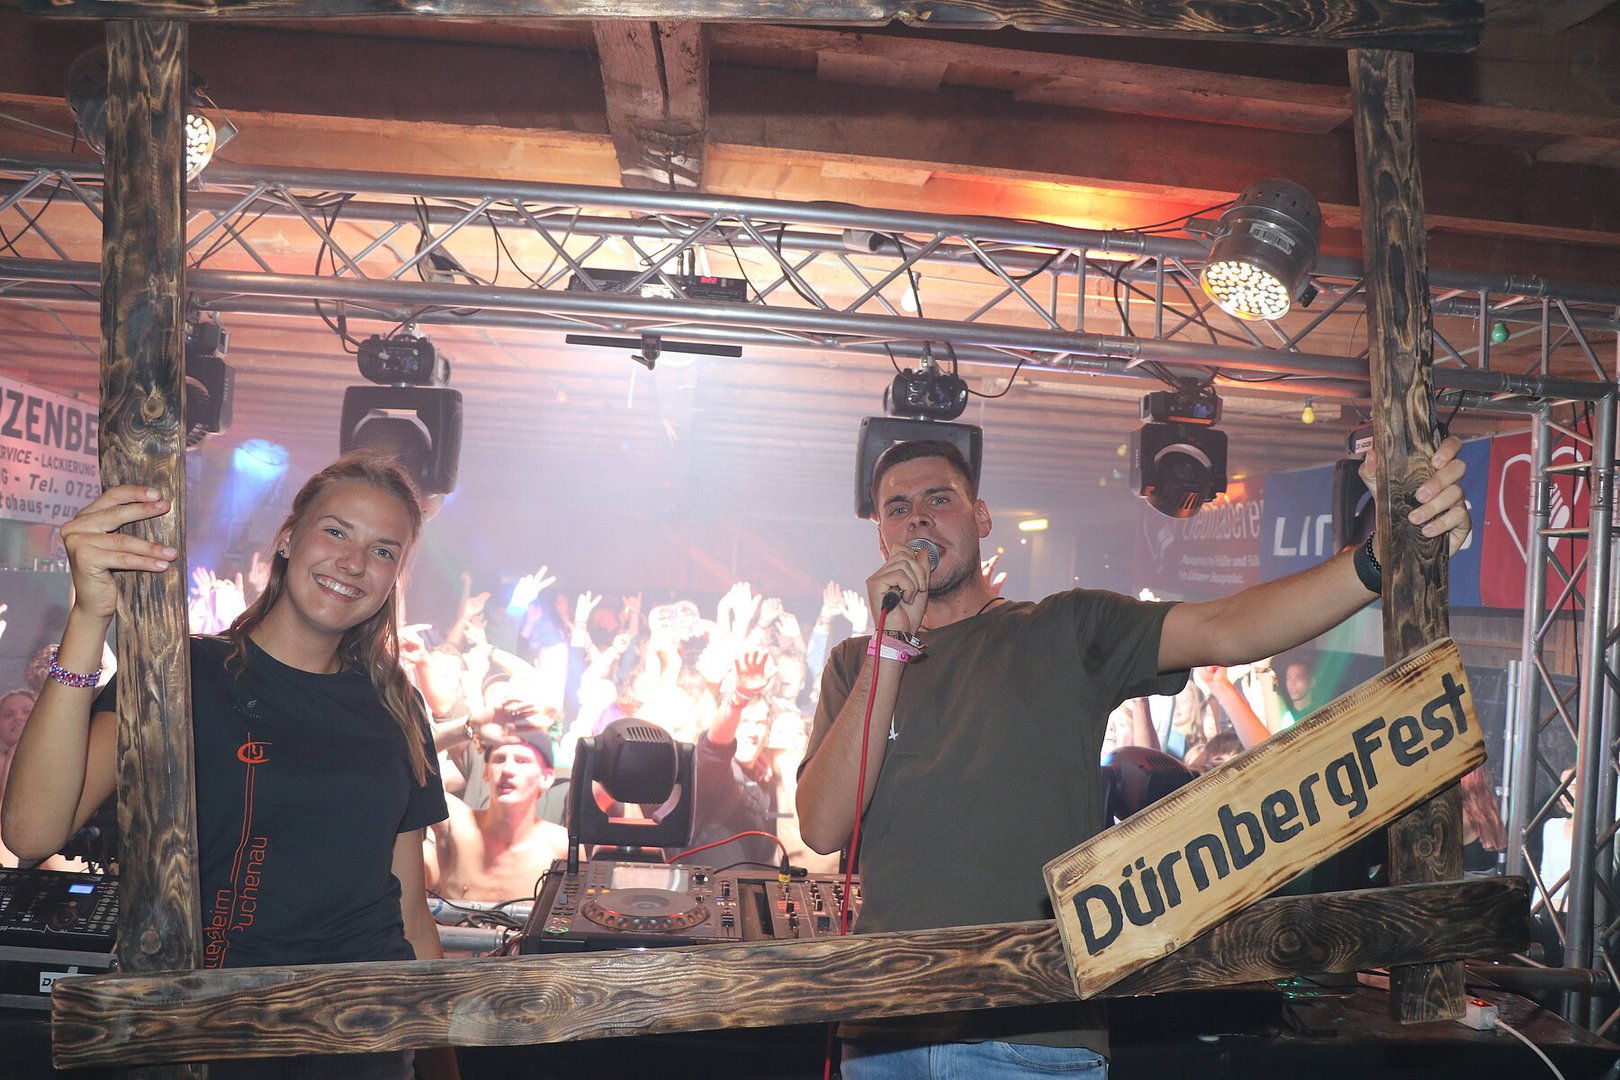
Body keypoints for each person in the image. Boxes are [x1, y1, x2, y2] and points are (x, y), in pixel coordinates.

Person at [797, 436, 1471, 1079]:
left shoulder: (1062, 628)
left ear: (980, 518)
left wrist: (1375, 561)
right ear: (882, 540)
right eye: (898, 508)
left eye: (939, 499)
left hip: (1034, 1039)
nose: (918, 517)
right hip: (885, 1036)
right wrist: (890, 648)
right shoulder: (857, 666)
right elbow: (823, 827)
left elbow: (1226, 626)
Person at [1, 453, 456, 1080]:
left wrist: (443, 1064)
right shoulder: (182, 675)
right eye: (336, 531)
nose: (354, 563)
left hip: (364, 1040)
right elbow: (31, 833)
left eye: (383, 551)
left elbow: (409, 913)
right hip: (213, 1038)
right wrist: (88, 618)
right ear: (289, 538)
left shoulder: (395, 704)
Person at [425, 733, 569, 903]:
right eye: (499, 759)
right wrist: (469, 728)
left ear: (545, 778)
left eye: (522, 761)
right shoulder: (455, 823)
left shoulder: (563, 845)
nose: (507, 770)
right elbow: (407, 754)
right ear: (486, 772)